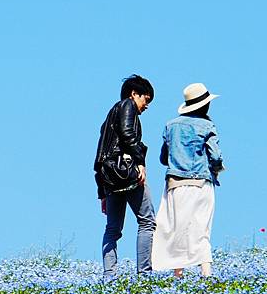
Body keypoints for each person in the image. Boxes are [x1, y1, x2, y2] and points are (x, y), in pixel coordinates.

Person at [151, 83, 224, 278]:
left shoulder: (171, 125)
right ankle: (206, 274)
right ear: (205, 106)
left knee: (176, 228)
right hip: (201, 183)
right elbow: (215, 157)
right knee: (201, 228)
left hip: (175, 184)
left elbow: (162, 158)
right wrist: (216, 170)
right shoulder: (208, 126)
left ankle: (178, 275)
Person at [93, 75, 156, 282]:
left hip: (110, 178)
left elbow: (100, 155)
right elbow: (129, 136)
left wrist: (102, 192)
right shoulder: (127, 106)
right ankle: (144, 276)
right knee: (147, 221)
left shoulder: (109, 116)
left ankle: (109, 277)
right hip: (127, 173)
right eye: (145, 100)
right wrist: (140, 163)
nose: (146, 106)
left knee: (113, 229)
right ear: (134, 94)